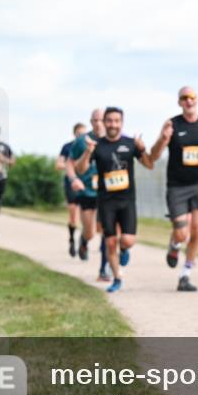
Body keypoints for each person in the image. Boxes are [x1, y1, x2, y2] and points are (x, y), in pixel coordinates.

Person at [150, 87, 198, 292]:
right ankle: (175, 245)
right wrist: (162, 140)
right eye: (184, 98)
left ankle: (185, 274)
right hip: (177, 187)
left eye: (191, 97)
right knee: (182, 234)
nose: (188, 101)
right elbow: (154, 155)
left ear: (197, 100)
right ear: (179, 102)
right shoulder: (172, 125)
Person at [74, 106, 154, 293]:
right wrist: (87, 152)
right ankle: (117, 277)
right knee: (110, 242)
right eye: (109, 120)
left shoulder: (130, 143)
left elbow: (149, 164)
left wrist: (143, 149)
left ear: (121, 123)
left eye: (116, 121)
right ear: (104, 122)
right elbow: (80, 169)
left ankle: (124, 251)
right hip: (106, 201)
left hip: (127, 200)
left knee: (127, 240)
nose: (113, 124)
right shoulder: (97, 145)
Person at [68, 110, 111, 279]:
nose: (99, 123)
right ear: (91, 122)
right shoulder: (81, 141)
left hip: (107, 191)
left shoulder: (112, 139)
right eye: (95, 120)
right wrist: (73, 179)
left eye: (102, 120)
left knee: (107, 230)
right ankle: (84, 241)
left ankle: (103, 268)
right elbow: (70, 164)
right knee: (90, 232)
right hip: (87, 191)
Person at [57, 123, 87, 257]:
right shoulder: (67, 147)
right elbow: (58, 165)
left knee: (87, 216)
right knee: (73, 214)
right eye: (79, 133)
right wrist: (72, 164)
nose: (81, 136)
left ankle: (83, 241)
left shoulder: (89, 146)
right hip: (71, 183)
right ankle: (72, 240)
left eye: (84, 133)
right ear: (74, 134)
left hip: (87, 184)